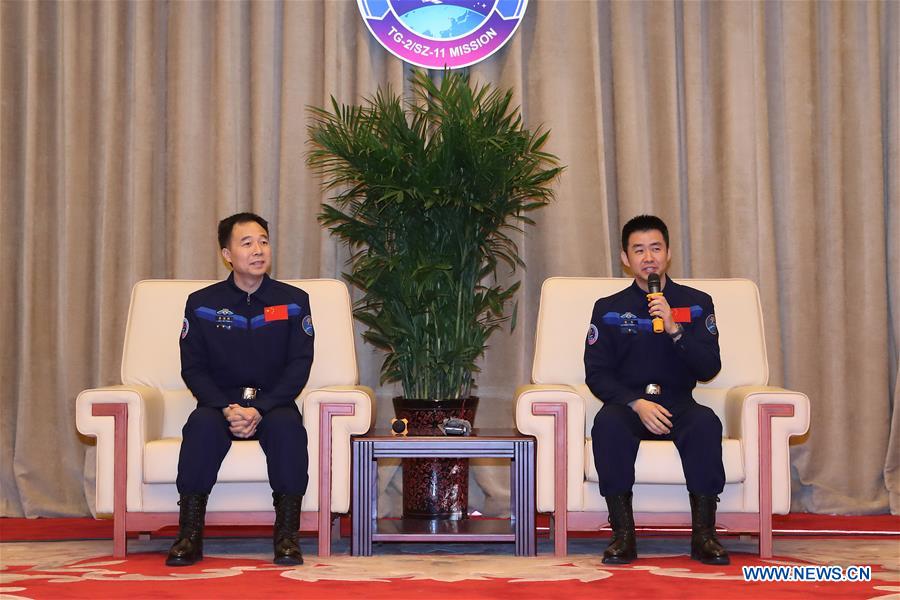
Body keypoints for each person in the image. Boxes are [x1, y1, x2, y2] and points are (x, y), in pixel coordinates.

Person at [167, 212, 315, 567]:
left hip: (273, 402)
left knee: (288, 430)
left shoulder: (294, 300)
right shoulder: (201, 303)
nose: (258, 250)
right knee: (200, 427)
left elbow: (299, 364)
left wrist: (260, 407)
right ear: (227, 254)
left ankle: (287, 538)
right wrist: (225, 407)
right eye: (246, 243)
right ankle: (189, 536)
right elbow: (194, 368)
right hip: (220, 403)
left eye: (263, 241)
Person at [584, 214, 729, 565]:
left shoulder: (697, 303)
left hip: (679, 402)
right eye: (639, 250)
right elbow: (596, 373)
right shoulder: (608, 309)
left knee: (706, 423)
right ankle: (623, 537)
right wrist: (635, 403)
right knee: (607, 425)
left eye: (655, 248)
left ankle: (704, 537)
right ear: (625, 258)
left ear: (668, 252)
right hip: (629, 404)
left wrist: (676, 327)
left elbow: (709, 367)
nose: (648, 257)